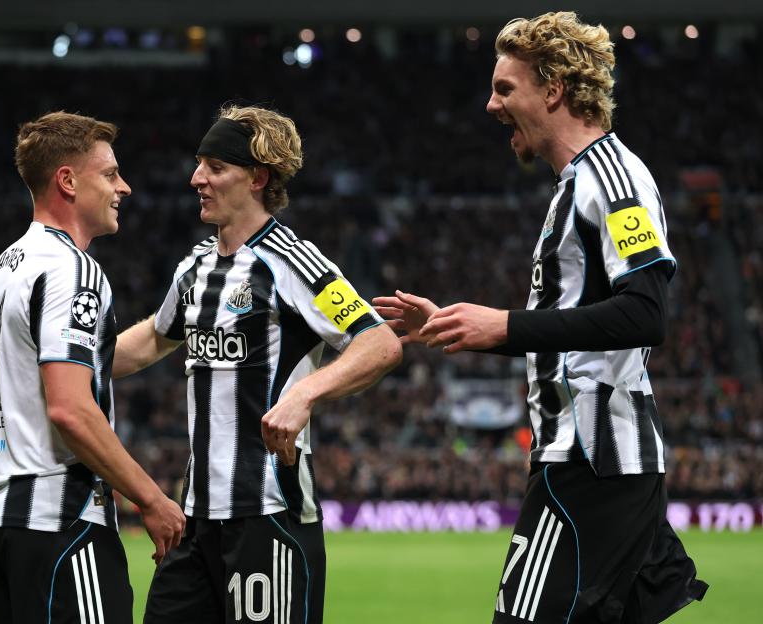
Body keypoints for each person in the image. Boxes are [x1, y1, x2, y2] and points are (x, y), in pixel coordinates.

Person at [374, 12, 708, 624]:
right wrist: (455, 328)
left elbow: (645, 313)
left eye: (505, 89)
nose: (490, 106)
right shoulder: (575, 184)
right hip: (594, 459)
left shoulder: (612, 179)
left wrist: (504, 324)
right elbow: (570, 329)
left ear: (553, 89)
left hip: (590, 463)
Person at [113, 105, 402, 623]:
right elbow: (151, 342)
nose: (196, 178)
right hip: (195, 515)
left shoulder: (295, 262)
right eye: (199, 164)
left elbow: (378, 343)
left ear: (258, 178)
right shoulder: (195, 266)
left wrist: (305, 395)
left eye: (215, 167)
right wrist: (54, 363)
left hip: (270, 509)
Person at [0, 111, 185, 624]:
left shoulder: (4, 269)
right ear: (67, 181)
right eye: (110, 174)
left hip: (1, 521)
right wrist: (151, 499)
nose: (125, 187)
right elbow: (70, 407)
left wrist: (176, 325)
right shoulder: (72, 269)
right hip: (62, 521)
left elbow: (8, 401)